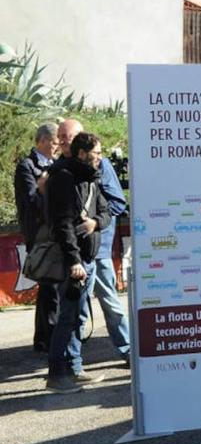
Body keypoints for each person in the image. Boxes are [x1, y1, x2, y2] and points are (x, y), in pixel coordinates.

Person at [58, 119, 133, 365]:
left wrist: (95, 221)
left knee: (110, 303)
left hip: (98, 249)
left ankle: (127, 350)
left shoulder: (101, 166)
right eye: (60, 136)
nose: (62, 141)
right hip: (76, 254)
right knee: (75, 310)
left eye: (67, 137)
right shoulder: (61, 171)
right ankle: (73, 363)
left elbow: (117, 203)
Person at [44, 132, 110, 393]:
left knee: (76, 318)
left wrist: (95, 223)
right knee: (67, 317)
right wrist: (74, 261)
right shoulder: (64, 179)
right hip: (73, 261)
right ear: (82, 153)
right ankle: (56, 374)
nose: (100, 158)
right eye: (96, 153)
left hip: (89, 259)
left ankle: (75, 368)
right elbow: (63, 224)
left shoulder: (92, 179)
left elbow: (106, 211)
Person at [14, 122, 58, 351]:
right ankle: (48, 338)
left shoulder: (57, 164)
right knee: (49, 286)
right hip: (40, 236)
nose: (57, 147)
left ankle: (44, 337)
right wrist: (44, 187)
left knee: (50, 286)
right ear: (42, 141)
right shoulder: (26, 167)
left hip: (56, 234)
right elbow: (31, 203)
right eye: (54, 142)